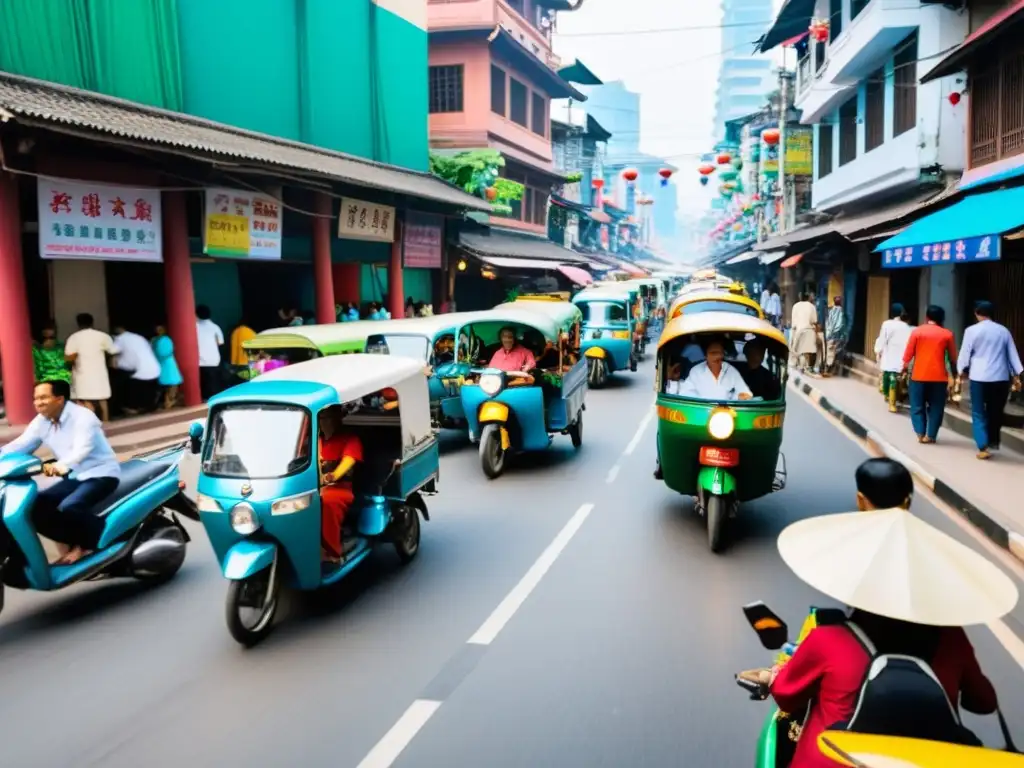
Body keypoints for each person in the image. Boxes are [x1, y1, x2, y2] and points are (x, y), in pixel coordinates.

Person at [753, 457, 1011, 768]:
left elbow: (785, 695)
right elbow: (984, 703)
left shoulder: (828, 641)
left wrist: (776, 675)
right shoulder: (951, 640)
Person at [0, 380, 121, 565]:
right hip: (75, 477)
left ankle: (97, 541)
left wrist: (61, 466)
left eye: (43, 397)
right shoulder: (42, 421)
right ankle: (73, 543)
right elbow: (20, 445)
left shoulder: (83, 417)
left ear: (59, 399)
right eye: (35, 398)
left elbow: (82, 449)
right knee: (34, 505)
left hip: (101, 474)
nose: (38, 402)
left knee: (70, 506)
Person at [957, 301, 1023, 460]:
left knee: (978, 411)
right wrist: (1016, 375)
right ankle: (993, 441)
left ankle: (982, 445)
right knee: (995, 411)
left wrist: (961, 371)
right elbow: (1011, 354)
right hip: (1000, 378)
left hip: (979, 377)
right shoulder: (1003, 331)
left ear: (976, 313)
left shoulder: (971, 331)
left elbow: (965, 353)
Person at [903, 305, 957, 444]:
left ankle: (920, 433)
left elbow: (908, 353)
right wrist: (954, 375)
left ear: (927, 317)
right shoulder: (947, 334)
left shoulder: (917, 332)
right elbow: (952, 357)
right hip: (939, 378)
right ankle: (931, 435)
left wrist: (903, 368)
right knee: (936, 407)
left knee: (917, 405)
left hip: (918, 375)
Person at [318, 406, 363, 562]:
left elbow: (348, 461)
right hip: (314, 488)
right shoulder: (316, 442)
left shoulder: (350, 439)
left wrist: (333, 476)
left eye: (328, 418)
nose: (324, 422)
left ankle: (332, 552)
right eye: (321, 418)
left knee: (327, 501)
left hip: (339, 488)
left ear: (337, 418)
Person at [64, 313, 119, 423]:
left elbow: (69, 357)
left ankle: (92, 423)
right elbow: (113, 351)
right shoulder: (102, 336)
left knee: (85, 398)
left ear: (78, 324)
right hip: (99, 371)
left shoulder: (74, 337)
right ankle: (106, 420)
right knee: (102, 398)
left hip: (82, 373)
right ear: (92, 322)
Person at [667, 339, 752, 400]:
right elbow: (685, 393)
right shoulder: (696, 371)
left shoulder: (731, 371)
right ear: (706, 356)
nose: (716, 357)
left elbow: (745, 393)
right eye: (713, 353)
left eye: (719, 353)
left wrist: (738, 397)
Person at [111, 323, 162, 415]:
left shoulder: (120, 339)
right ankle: (150, 406)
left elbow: (113, 352)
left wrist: (114, 360)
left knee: (122, 383)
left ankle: (131, 408)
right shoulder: (138, 337)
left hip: (141, 375)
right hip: (155, 370)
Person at [873, 303, 912, 413]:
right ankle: (892, 401)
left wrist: (878, 351)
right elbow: (908, 343)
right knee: (895, 378)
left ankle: (890, 399)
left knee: (887, 377)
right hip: (900, 355)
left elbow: (882, 339)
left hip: (889, 354)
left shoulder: (886, 324)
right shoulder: (906, 327)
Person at [196, 305, 225, 402]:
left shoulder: (194, 327)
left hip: (200, 361)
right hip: (214, 360)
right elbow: (220, 343)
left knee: (203, 384)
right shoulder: (215, 327)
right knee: (214, 384)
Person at [151, 324, 183, 410]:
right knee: (173, 383)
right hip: (168, 363)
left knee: (164, 385)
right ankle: (169, 401)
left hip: (159, 363)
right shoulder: (166, 339)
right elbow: (168, 351)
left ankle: (165, 401)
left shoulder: (153, 340)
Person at [790, 293, 818, 372]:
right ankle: (808, 366)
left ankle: (801, 366)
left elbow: (793, 323)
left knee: (799, 350)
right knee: (809, 350)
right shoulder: (812, 306)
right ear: (809, 298)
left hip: (798, 331)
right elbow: (814, 321)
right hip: (809, 330)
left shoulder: (795, 306)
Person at [824, 296, 847, 376]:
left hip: (830, 335)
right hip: (838, 335)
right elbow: (842, 324)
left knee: (830, 351)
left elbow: (828, 323)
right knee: (836, 353)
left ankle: (828, 367)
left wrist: (828, 334)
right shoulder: (842, 312)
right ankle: (832, 369)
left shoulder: (831, 311)